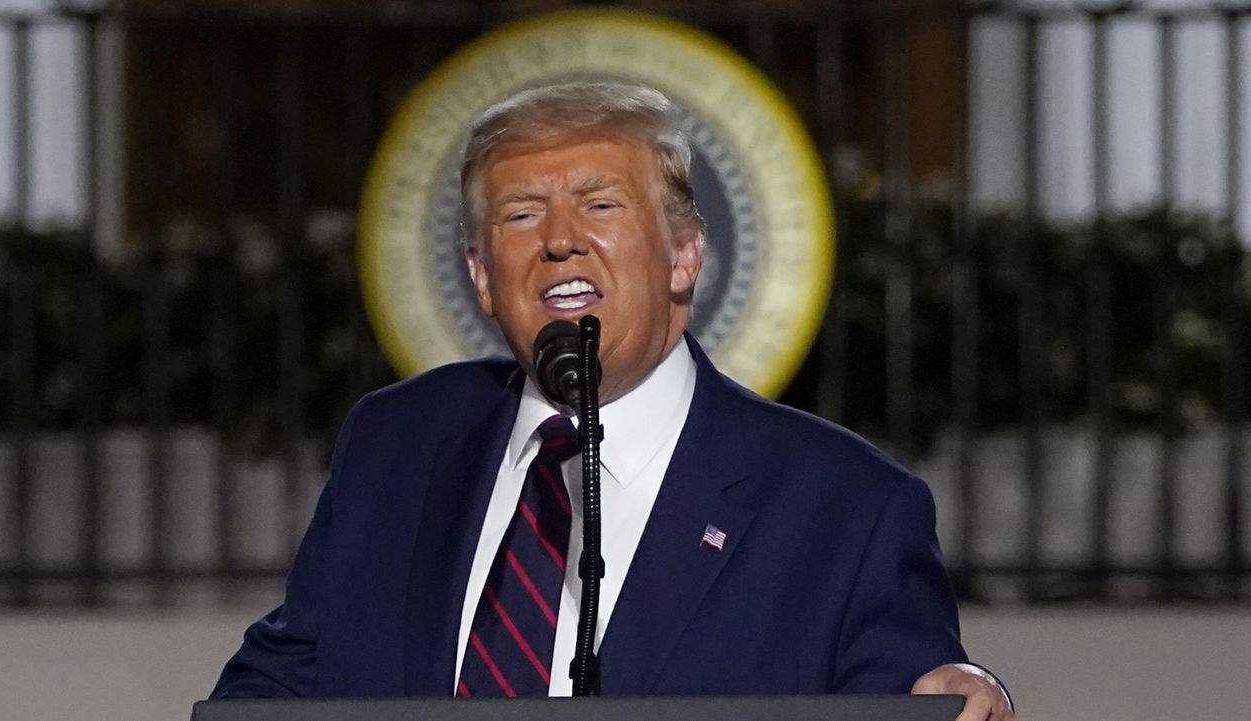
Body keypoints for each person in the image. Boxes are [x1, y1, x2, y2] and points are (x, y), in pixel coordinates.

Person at [212, 82, 1015, 720]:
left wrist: (965, 685)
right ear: (483, 278)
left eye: (600, 204)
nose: (559, 238)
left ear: (684, 253)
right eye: (521, 214)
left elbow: (924, 699)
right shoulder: (398, 445)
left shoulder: (845, 507)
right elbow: (276, 690)